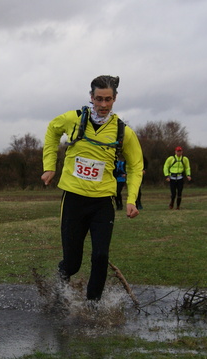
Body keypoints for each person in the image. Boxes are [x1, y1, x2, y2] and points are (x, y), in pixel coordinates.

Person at [41, 75, 144, 302]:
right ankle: (58, 292)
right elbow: (52, 130)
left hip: (102, 202)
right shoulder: (74, 119)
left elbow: (137, 166)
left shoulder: (122, 131)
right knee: (72, 263)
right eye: (99, 99)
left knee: (100, 255)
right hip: (73, 200)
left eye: (108, 99)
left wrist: (131, 199)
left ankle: (93, 306)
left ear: (115, 99)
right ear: (91, 97)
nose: (103, 105)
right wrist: (50, 166)